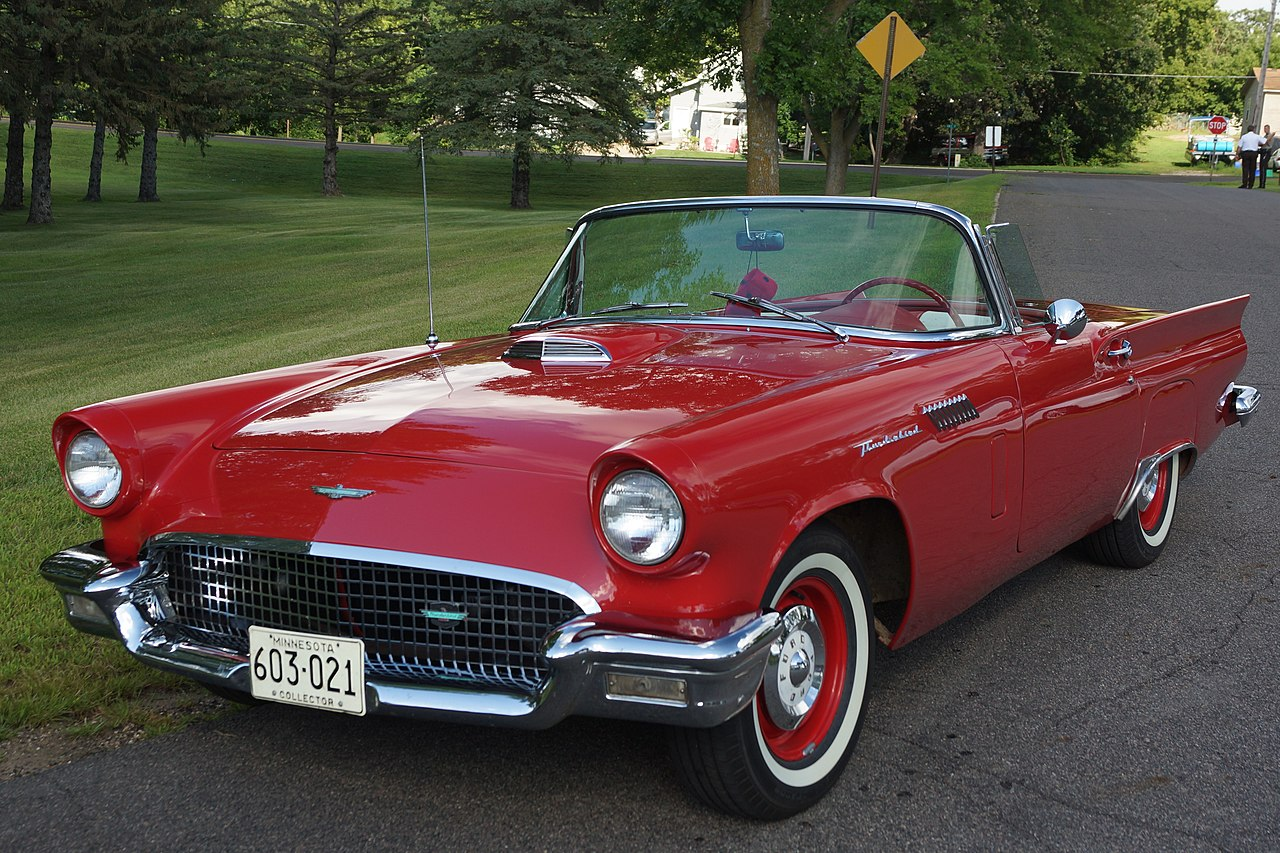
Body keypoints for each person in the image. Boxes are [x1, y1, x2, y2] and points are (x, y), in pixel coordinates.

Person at [1238, 125, 1263, 189]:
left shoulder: (1244, 137)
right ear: (1253, 130)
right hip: (1253, 153)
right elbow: (1264, 142)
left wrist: (1237, 154)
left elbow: (1239, 147)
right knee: (1252, 169)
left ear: (1247, 130)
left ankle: (1245, 183)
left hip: (1246, 153)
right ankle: (1251, 184)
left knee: (1245, 169)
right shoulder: (1257, 136)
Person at [1260, 125, 1277, 189]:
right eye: (1264, 129)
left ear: (1269, 129)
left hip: (1267, 151)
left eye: (1266, 129)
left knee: (1264, 167)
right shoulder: (1265, 136)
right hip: (1263, 151)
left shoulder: (1270, 135)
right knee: (1261, 166)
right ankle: (1261, 183)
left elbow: (1266, 141)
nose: (1265, 130)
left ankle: (1262, 184)